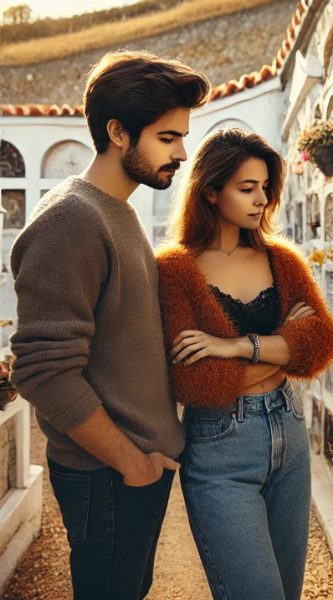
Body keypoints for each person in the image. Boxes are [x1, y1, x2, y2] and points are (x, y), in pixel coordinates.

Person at [10, 51, 210, 599]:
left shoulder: (117, 211)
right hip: (109, 474)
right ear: (119, 132)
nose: (183, 153)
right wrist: (133, 464)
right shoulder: (73, 219)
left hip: (132, 470)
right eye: (168, 137)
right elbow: (45, 373)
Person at [155, 128, 333, 600]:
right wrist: (282, 348)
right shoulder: (175, 269)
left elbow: (320, 343)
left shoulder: (281, 259)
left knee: (289, 591)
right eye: (246, 188)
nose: (262, 199)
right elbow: (197, 382)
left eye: (264, 187)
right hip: (220, 449)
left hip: (290, 433)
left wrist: (235, 346)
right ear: (211, 191)